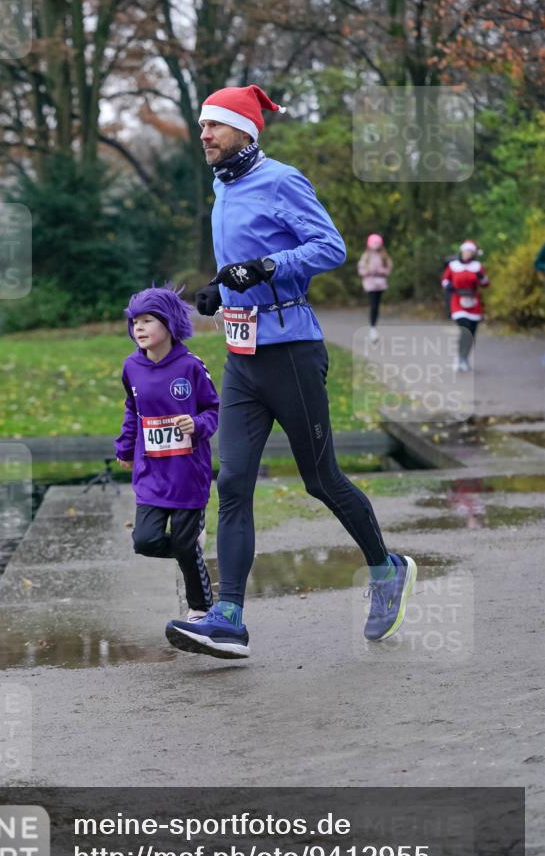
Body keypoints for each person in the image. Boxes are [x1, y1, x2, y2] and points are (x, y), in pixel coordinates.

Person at [164, 84, 417, 661]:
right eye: (202, 125)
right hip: (242, 356)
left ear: (246, 132)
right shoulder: (221, 187)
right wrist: (219, 285)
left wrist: (269, 265)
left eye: (215, 125)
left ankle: (386, 568)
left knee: (320, 478)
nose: (204, 134)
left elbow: (330, 247)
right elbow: (243, 262)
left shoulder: (280, 179)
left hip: (293, 353)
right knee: (231, 483)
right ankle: (228, 616)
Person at [115, 285, 219, 620]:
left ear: (170, 324)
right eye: (135, 322)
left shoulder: (190, 366)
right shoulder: (131, 366)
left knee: (186, 546)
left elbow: (213, 410)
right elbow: (133, 410)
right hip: (151, 473)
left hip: (188, 473)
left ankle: (200, 608)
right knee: (144, 541)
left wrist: (198, 424)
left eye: (147, 320)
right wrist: (126, 446)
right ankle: (189, 549)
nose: (139, 328)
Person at [441, 240, 490, 372]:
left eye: (470, 251)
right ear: (462, 251)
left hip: (473, 302)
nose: (468, 253)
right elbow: (445, 280)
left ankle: (464, 357)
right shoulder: (453, 265)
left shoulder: (478, 266)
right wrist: (448, 286)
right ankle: (459, 357)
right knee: (465, 329)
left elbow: (485, 284)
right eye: (466, 250)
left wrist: (481, 277)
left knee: (472, 332)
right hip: (458, 301)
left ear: (473, 253)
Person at [358, 233, 392, 342]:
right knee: (373, 306)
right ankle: (372, 328)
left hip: (380, 283)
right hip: (370, 284)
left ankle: (374, 326)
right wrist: (368, 271)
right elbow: (361, 269)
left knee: (376, 306)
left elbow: (388, 268)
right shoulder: (366, 256)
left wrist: (381, 271)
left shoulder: (384, 256)